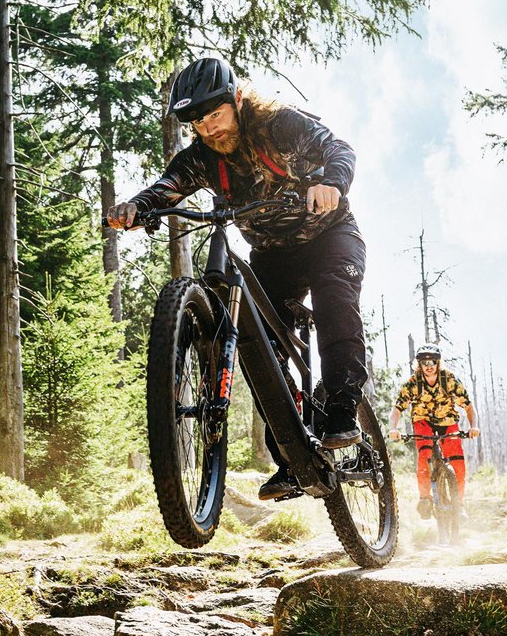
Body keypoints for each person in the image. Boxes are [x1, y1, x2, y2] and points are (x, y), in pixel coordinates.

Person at [105, 56, 367, 501]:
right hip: (274, 254)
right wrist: (136, 207)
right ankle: (293, 458)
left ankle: (342, 409)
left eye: (215, 114)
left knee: (334, 301)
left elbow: (338, 148)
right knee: (256, 341)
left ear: (237, 100)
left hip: (330, 235)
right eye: (198, 122)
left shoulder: (278, 125)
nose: (209, 128)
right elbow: (167, 187)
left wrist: (332, 183)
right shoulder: (203, 157)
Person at [388, 344, 480, 520]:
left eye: (432, 362)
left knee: (457, 462)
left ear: (438, 363)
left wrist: (473, 426)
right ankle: (425, 499)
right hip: (423, 421)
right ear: (419, 364)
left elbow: (468, 406)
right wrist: (393, 428)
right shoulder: (414, 383)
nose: (429, 366)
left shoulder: (449, 379)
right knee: (424, 457)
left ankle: (459, 505)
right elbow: (397, 409)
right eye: (424, 362)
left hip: (448, 421)